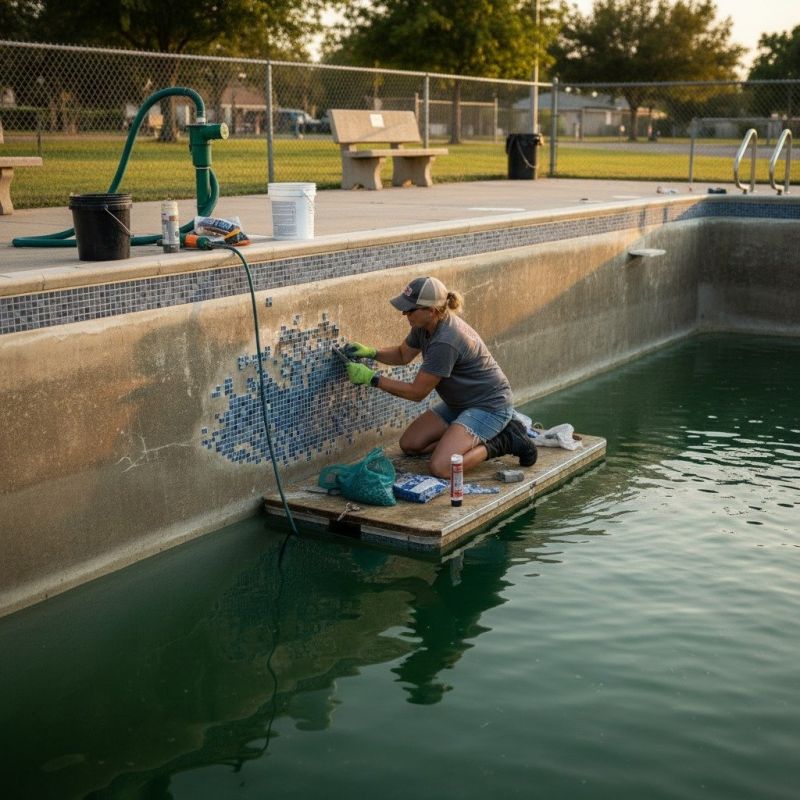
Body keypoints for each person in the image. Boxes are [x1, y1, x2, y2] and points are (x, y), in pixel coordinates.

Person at [343, 275, 536, 479]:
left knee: (443, 467)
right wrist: (371, 352)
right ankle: (462, 437)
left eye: (410, 309)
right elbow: (402, 355)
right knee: (410, 445)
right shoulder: (424, 326)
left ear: (431, 310)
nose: (404, 313)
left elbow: (417, 392)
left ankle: (505, 439)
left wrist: (373, 379)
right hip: (461, 403)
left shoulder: (446, 341)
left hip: (490, 407)